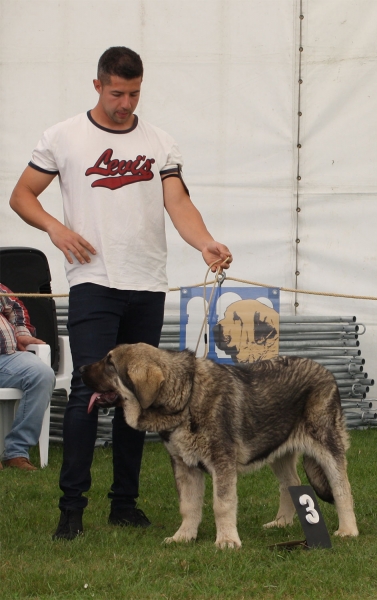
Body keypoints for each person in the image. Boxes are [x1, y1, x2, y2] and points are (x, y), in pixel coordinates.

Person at [9, 46, 232, 539]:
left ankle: (124, 504)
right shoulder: (63, 136)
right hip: (94, 283)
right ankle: (72, 509)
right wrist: (55, 229)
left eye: (133, 93)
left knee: (142, 395)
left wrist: (206, 242)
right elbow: (21, 195)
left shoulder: (160, 141)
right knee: (91, 390)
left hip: (147, 284)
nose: (125, 102)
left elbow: (178, 202)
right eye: (116, 93)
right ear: (97, 86)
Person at [0, 283, 55, 471]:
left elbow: (15, 306)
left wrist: (21, 334)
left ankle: (16, 452)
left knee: (42, 374)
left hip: (5, 357)